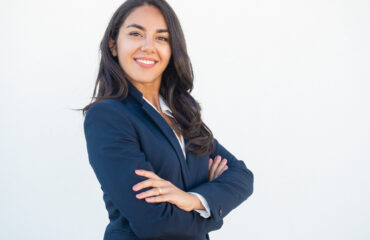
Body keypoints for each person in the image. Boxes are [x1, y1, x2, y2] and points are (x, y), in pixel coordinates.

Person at [82, 0, 254, 239]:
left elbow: (242, 176)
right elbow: (157, 225)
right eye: (135, 34)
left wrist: (191, 199)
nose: (148, 46)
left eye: (162, 38)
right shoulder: (108, 117)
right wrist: (212, 208)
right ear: (113, 45)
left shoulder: (182, 110)